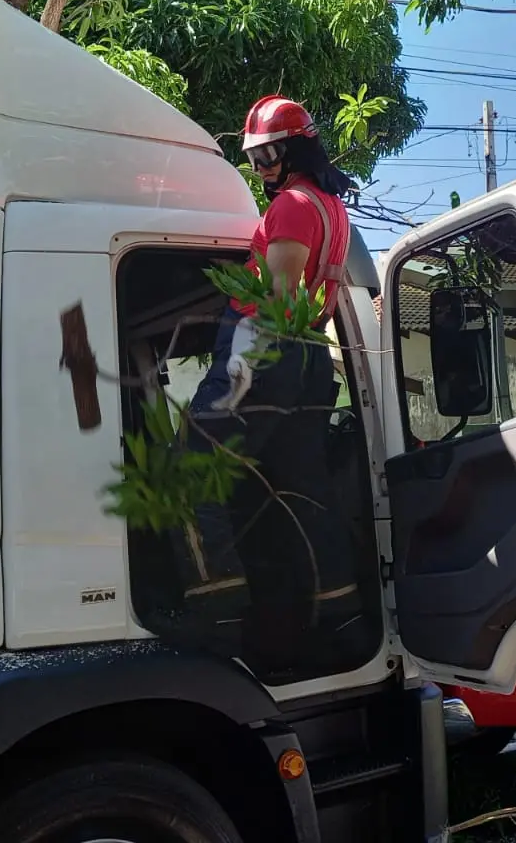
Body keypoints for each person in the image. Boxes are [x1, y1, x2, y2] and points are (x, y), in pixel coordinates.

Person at [174, 96, 368, 673]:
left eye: (267, 156)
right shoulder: (332, 208)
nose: (260, 169)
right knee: (302, 491)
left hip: (267, 348)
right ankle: (343, 616)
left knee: (192, 468)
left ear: (296, 150)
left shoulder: (292, 206)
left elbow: (279, 301)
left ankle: (218, 620)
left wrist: (242, 366)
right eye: (253, 159)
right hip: (310, 357)